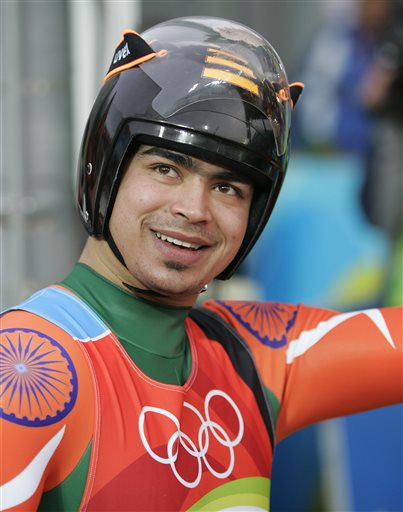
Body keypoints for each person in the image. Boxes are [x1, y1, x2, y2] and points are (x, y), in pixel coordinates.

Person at [0, 16, 401, 512]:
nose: (195, 209)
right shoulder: (24, 368)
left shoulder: (252, 354)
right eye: (166, 168)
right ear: (104, 170)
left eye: (228, 186)